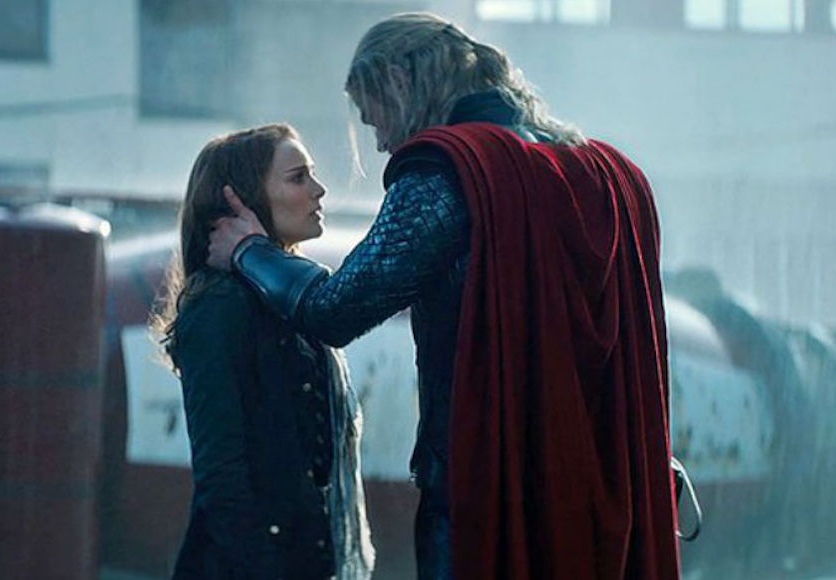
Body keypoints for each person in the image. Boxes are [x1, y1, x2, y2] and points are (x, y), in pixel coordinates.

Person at [208, 13, 681, 580]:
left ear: (400, 81)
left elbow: (333, 311)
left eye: (375, 116)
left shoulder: (449, 173)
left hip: (489, 496)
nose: (381, 142)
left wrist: (249, 251)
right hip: (607, 491)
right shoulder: (606, 175)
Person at [153, 124, 374, 580]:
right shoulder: (220, 306)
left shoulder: (288, 296)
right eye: (298, 178)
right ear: (245, 201)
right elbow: (221, 475)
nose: (319, 190)